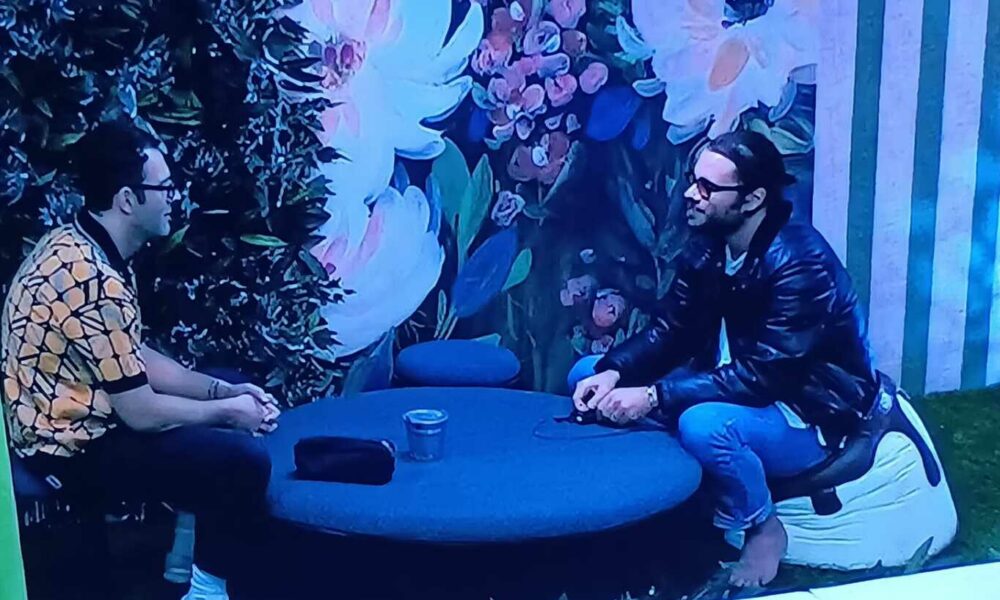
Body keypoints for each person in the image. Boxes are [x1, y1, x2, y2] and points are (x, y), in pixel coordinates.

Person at [569, 130, 881, 588]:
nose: (691, 194)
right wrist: (614, 370)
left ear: (753, 199)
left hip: (807, 410)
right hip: (729, 384)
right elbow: (670, 330)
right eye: (693, 180)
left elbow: (766, 375)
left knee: (705, 425)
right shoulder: (710, 243)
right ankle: (657, 499)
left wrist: (655, 396)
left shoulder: (800, 262)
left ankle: (763, 527)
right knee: (587, 374)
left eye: (708, 188)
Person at [1, 120, 280, 600]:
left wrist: (223, 392)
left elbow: (131, 355)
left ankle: (183, 564)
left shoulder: (80, 243)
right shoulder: (93, 279)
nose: (174, 197)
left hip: (88, 414)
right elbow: (142, 411)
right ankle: (206, 589)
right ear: (128, 200)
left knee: (226, 381)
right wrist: (229, 413)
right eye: (164, 188)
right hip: (66, 449)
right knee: (243, 460)